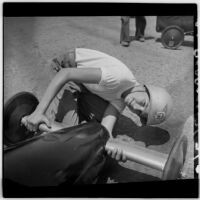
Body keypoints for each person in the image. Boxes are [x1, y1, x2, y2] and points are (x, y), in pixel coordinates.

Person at [22, 48, 173, 161]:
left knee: (102, 118)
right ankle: (53, 112)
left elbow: (105, 130)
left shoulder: (124, 98)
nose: (136, 108)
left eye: (141, 113)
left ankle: (73, 105)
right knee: (70, 134)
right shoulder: (118, 78)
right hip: (64, 70)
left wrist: (109, 144)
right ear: (144, 88)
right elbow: (65, 74)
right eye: (144, 103)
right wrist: (39, 112)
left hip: (84, 85)